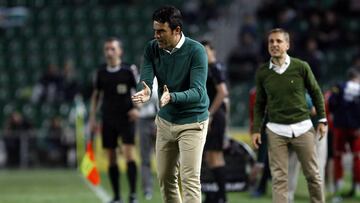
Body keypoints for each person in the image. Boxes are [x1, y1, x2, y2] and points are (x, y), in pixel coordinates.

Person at [132, 6, 209, 203]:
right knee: (165, 178)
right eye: (154, 30)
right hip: (166, 121)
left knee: (190, 178)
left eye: (161, 31)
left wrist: (172, 97)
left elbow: (199, 92)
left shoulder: (196, 51)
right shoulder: (152, 48)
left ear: (177, 30)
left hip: (193, 121)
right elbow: (147, 74)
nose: (156, 35)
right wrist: (147, 89)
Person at [251, 28, 327, 203]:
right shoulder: (263, 72)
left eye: (278, 41)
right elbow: (259, 104)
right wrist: (256, 129)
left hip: (303, 127)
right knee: (279, 179)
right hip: (276, 130)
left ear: (287, 45)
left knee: (313, 176)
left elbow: (316, 93)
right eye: (271, 41)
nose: (274, 45)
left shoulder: (301, 67)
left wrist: (322, 119)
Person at [89, 37, 139, 203]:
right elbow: (96, 95)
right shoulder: (100, 72)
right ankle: (117, 196)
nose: (109, 52)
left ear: (120, 51)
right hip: (108, 119)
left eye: (112, 49)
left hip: (126, 118)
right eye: (107, 49)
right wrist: (92, 118)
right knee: (111, 156)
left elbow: (139, 90)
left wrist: (137, 108)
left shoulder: (128, 70)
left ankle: (132, 194)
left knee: (128, 154)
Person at [201, 40, 229, 203]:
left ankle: (222, 197)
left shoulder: (214, 68)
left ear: (213, 52)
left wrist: (210, 114)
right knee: (211, 157)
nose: (204, 55)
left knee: (215, 156)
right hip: (215, 116)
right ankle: (217, 195)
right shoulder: (210, 69)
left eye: (206, 51)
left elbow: (223, 92)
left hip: (214, 117)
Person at [287, 93, 328, 203]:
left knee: (317, 165)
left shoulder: (302, 96)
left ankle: (318, 198)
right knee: (292, 162)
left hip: (316, 128)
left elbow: (314, 110)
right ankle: (288, 197)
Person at [329, 68, 360, 197]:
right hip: (356, 129)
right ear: (357, 78)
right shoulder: (359, 88)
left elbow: (331, 102)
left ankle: (339, 186)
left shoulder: (339, 87)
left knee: (337, 156)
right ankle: (357, 186)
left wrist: (336, 115)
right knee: (357, 156)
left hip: (340, 127)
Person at [138, 78, 158, 200]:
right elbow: (137, 99)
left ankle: (167, 184)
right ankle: (147, 189)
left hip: (159, 118)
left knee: (163, 156)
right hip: (144, 119)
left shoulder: (161, 75)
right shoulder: (139, 78)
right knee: (145, 157)